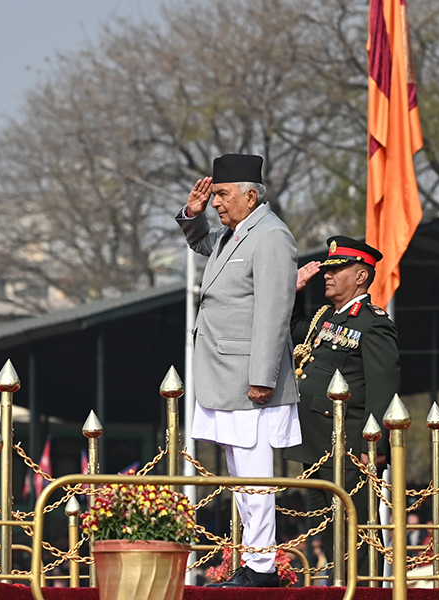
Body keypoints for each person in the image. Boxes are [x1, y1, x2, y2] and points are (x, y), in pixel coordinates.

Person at [176, 153, 300, 588]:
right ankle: (254, 560)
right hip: (226, 376)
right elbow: (203, 242)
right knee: (240, 477)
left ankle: (263, 567)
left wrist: (263, 376)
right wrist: (191, 214)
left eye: (223, 195)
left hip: (249, 379)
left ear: (251, 195)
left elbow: (273, 311)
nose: (217, 204)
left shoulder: (270, 236)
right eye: (215, 197)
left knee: (254, 475)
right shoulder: (236, 234)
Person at [282, 236, 401, 574]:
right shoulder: (326, 317)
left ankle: (362, 593)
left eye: (337, 269)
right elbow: (294, 331)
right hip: (315, 443)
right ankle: (340, 590)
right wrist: (297, 293)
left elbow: (383, 386)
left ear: (361, 276)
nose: (327, 275)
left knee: (356, 531)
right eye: (327, 269)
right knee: (328, 531)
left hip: (350, 448)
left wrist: (372, 444)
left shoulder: (372, 321)